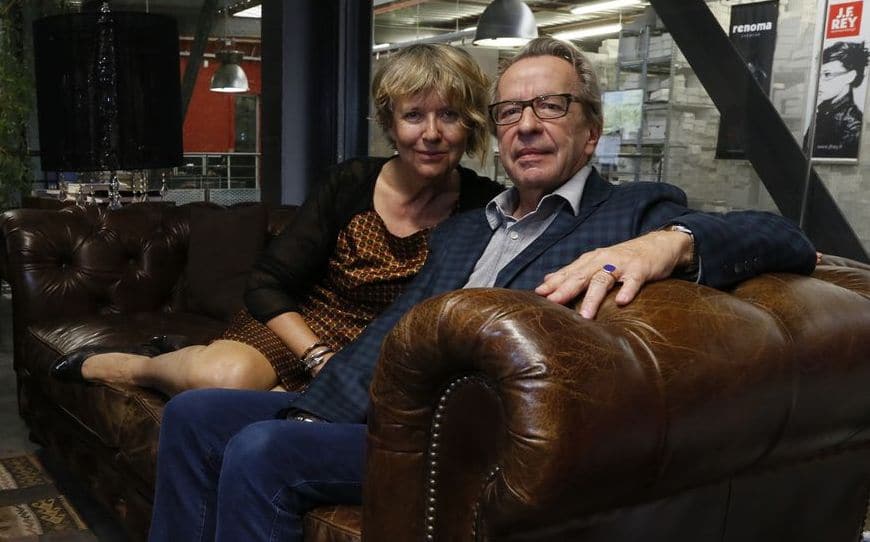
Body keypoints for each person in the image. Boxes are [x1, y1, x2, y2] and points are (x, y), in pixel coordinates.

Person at [148, 38, 817, 541]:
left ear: (591, 131)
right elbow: (396, 330)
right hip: (388, 409)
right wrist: (311, 407)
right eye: (510, 111)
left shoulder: (630, 211)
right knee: (194, 415)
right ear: (496, 133)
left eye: (550, 106)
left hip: (468, 435)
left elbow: (786, 239)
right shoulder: (469, 226)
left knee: (262, 451)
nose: (527, 124)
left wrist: (667, 242)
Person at [49, 44, 504, 395]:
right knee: (225, 378)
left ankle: (188, 357)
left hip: (381, 354)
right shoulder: (350, 183)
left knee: (276, 412)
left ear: (470, 124)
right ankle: (138, 367)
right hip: (301, 327)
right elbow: (266, 283)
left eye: (448, 115)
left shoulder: (488, 205)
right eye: (414, 115)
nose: (431, 133)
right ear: (390, 123)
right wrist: (317, 356)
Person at [809, 41, 869, 158]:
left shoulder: (852, 126)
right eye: (818, 75)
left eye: (827, 75)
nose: (818, 82)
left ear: (850, 76)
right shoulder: (822, 112)